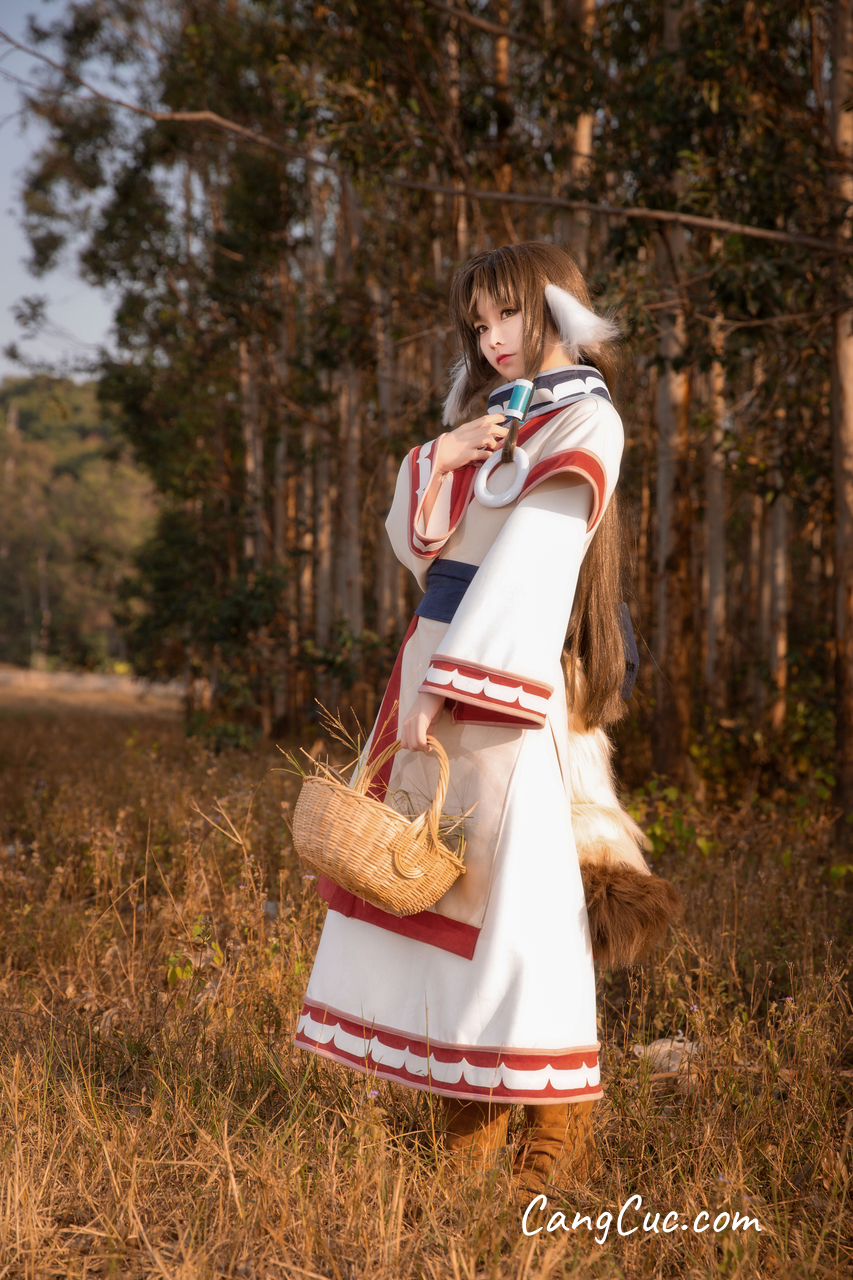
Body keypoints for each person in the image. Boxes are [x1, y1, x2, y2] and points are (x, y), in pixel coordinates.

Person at [294, 242, 681, 1190]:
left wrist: (447, 681)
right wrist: (440, 455)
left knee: (525, 903)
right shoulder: (499, 418)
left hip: (502, 674)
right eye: (477, 323)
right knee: (439, 888)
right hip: (440, 660)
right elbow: (424, 550)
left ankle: (556, 1120)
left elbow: (532, 565)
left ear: (553, 307)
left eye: (506, 314)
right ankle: (466, 1105)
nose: (492, 338)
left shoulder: (586, 418)